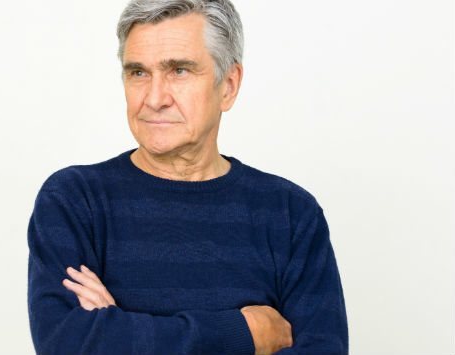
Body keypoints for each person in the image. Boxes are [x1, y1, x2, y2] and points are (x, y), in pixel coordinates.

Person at [26, 0, 348, 353]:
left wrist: (119, 331)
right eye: (138, 72)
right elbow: (67, 345)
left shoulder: (290, 214)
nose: (154, 97)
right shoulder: (74, 201)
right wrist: (244, 332)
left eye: (178, 71)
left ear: (228, 85)